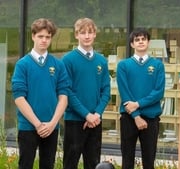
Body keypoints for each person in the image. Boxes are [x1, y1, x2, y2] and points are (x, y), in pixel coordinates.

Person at [11, 18, 70, 169]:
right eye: (40, 36)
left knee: (48, 165)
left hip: (51, 127)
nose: (44, 40)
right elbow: (19, 98)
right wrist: (37, 124)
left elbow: (63, 97)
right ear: (33, 36)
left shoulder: (58, 65)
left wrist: (52, 123)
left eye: (48, 37)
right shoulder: (23, 64)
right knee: (25, 165)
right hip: (28, 127)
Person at [62, 18, 111, 169]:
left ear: (95, 34)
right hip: (75, 120)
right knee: (70, 162)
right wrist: (86, 114)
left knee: (93, 163)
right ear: (76, 35)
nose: (87, 36)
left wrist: (97, 114)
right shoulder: (68, 60)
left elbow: (106, 90)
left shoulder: (101, 61)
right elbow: (67, 91)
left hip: (95, 120)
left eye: (90, 32)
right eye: (83, 33)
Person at [116, 28, 165, 169]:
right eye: (137, 40)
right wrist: (136, 116)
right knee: (127, 160)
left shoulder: (158, 65)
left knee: (149, 160)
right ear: (132, 44)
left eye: (143, 39)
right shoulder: (123, 65)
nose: (141, 42)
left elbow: (159, 92)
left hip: (151, 118)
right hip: (129, 118)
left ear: (148, 42)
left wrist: (137, 104)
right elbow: (124, 92)